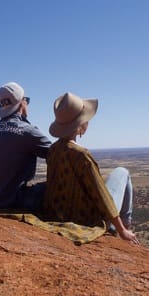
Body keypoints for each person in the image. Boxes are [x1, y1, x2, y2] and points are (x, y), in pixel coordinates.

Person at [43, 92, 139, 244]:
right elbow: (101, 195)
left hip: (63, 214)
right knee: (122, 172)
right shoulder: (81, 155)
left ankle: (121, 228)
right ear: (80, 124)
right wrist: (122, 230)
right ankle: (126, 228)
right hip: (89, 217)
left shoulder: (53, 150)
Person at [0, 82, 52, 210]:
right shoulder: (27, 131)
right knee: (54, 186)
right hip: (16, 202)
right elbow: (57, 155)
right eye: (26, 100)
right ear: (22, 102)